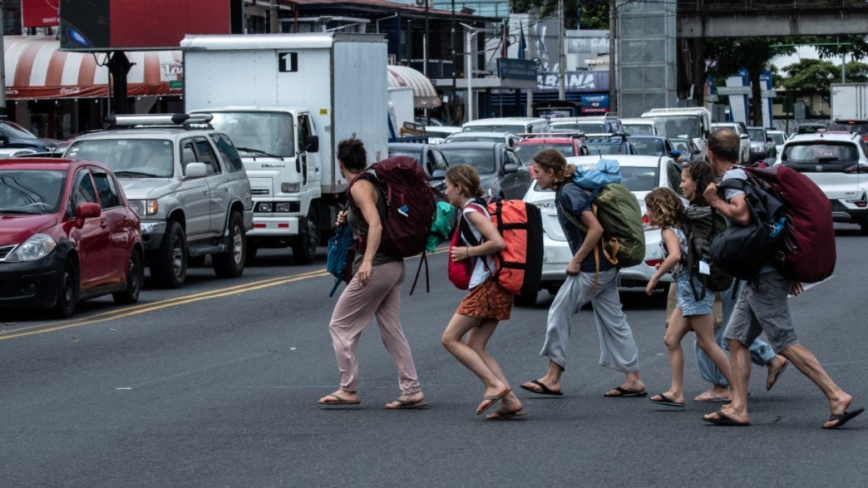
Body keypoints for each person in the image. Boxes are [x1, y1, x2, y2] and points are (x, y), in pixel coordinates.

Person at [701, 129, 863, 428]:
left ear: (710, 153)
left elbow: (743, 216)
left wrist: (714, 200)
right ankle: (738, 406)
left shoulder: (733, 180)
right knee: (735, 338)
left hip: (763, 275)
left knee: (783, 341)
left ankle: (836, 395)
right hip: (761, 272)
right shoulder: (750, 175)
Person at [521, 149, 646, 398]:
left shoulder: (568, 192)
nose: (535, 178)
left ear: (551, 172)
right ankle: (633, 378)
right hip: (605, 266)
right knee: (613, 320)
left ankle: (553, 377)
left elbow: (596, 229)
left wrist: (576, 261)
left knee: (559, 311)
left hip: (593, 268)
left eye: (538, 172)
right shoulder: (567, 190)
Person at [318, 137, 428, 410]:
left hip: (378, 266)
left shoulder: (359, 187)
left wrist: (366, 262)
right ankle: (411, 389)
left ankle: (348, 388)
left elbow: (376, 225)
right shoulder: (372, 181)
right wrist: (348, 219)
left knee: (340, 325)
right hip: (393, 266)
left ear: (340, 163)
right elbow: (370, 220)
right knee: (391, 329)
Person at [677, 160, 788, 403]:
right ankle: (769, 359)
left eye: (684, 180)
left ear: (697, 181)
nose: (680, 184)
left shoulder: (709, 205)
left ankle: (724, 385)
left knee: (714, 330)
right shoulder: (713, 201)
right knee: (727, 327)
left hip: (720, 274)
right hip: (725, 272)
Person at [441, 164, 525, 420]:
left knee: (450, 339)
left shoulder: (470, 211)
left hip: (488, 284)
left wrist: (467, 252)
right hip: (495, 284)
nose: (445, 192)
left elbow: (497, 242)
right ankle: (509, 400)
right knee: (475, 344)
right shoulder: (478, 205)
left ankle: (493, 385)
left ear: (459, 187)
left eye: (447, 187)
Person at [644, 187, 734, 408]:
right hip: (689, 290)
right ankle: (676, 391)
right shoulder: (681, 225)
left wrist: (655, 277)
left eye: (649, 209)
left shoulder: (668, 230)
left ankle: (737, 389)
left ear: (658, 208)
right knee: (671, 339)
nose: (647, 215)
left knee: (708, 343)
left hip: (693, 289)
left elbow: (675, 256)